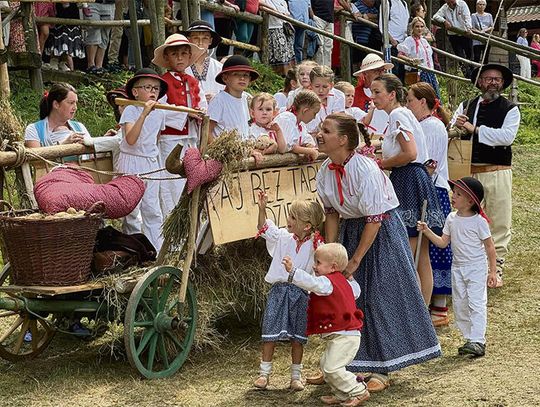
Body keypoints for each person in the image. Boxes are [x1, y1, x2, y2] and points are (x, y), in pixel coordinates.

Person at [315, 113, 441, 392]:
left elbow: (375, 218)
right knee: (347, 300)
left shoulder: (366, 169)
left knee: (378, 297)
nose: (318, 134)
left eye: (326, 130)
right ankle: (346, 365)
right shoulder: (325, 169)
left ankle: (382, 369)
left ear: (344, 139)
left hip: (380, 233)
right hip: (351, 229)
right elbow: (332, 213)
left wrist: (356, 258)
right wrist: (333, 253)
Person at [372, 74, 445, 305]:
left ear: (392, 94)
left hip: (408, 179)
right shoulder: (403, 115)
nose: (373, 97)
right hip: (416, 177)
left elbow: (410, 153)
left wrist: (380, 164)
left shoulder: (397, 114)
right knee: (420, 254)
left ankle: (412, 309)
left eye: (377, 92)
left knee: (407, 250)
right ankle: (422, 308)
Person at [450, 63, 520, 287]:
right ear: (480, 82)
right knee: (466, 217)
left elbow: (506, 137)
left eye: (497, 79)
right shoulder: (467, 105)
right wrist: (458, 125)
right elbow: (451, 130)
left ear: (502, 84)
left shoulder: (510, 109)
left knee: (499, 219)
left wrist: (475, 129)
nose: (493, 82)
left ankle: (495, 267)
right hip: (469, 172)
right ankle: (470, 264)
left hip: (497, 170)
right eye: (488, 78)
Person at [418, 177, 497, 357]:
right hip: (458, 267)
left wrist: (492, 271)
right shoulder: (451, 218)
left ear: (470, 201)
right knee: (461, 304)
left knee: (476, 302)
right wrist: (427, 230)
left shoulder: (479, 222)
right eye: (454, 192)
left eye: (459, 194)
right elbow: (442, 243)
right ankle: (470, 339)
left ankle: (478, 340)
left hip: (476, 267)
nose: (454, 196)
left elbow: (490, 247)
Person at [253, 191, 325, 391]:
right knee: (270, 333)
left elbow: (321, 270)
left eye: (293, 217)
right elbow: (264, 228)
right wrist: (262, 209)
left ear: (307, 225)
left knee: (297, 337)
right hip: (279, 292)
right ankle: (264, 374)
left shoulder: (316, 246)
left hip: (300, 295)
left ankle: (295, 376)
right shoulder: (283, 237)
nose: (288, 220)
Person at [282, 243, 370, 407]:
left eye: (318, 263)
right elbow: (356, 290)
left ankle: (358, 389)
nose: (314, 266)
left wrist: (293, 272)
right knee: (326, 364)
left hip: (346, 336)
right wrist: (350, 279)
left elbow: (311, 283)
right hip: (344, 335)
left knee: (332, 368)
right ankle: (342, 394)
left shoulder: (327, 282)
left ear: (333, 267)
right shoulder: (343, 282)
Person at [118, 69, 188, 251]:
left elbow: (155, 138)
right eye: (148, 87)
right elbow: (131, 140)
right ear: (135, 91)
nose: (153, 91)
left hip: (150, 161)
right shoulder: (130, 110)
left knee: (152, 208)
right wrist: (144, 114)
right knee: (132, 211)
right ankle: (133, 250)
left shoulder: (160, 113)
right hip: (131, 161)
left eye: (156, 88)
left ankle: (155, 251)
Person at [406, 82, 453, 326]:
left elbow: (429, 164)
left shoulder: (433, 126)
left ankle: (439, 306)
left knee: (435, 245)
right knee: (425, 245)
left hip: (433, 189)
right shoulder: (422, 125)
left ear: (422, 102)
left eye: (411, 100)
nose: (408, 104)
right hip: (425, 188)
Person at [151, 33, 206, 218]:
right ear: (167, 58)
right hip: (171, 139)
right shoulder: (162, 83)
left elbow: (202, 107)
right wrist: (184, 113)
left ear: (190, 57)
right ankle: (171, 226)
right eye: (175, 54)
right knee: (171, 183)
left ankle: (188, 226)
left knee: (188, 181)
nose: (180, 58)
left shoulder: (193, 82)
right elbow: (158, 111)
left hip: (191, 138)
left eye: (184, 53)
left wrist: (200, 115)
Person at [208, 55, 260, 142]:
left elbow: (244, 128)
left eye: (246, 75)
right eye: (236, 74)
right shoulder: (219, 100)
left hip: (242, 150)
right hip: (225, 151)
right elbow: (207, 130)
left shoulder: (245, 99)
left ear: (249, 79)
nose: (242, 78)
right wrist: (218, 151)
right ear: (225, 78)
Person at [25, 83, 90, 148]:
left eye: (76, 103)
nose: (75, 107)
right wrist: (64, 144)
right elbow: (36, 157)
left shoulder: (80, 127)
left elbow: (93, 154)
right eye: (71, 103)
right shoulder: (34, 129)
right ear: (56, 104)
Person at [182, 20, 225, 103]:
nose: (200, 42)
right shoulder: (181, 67)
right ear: (189, 40)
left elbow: (228, 93)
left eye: (205, 38)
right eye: (196, 38)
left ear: (210, 41)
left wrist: (215, 98)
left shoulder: (219, 68)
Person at [397, 17, 441, 98]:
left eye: (421, 26)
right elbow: (400, 55)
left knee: (434, 97)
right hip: (418, 72)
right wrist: (410, 60)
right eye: (417, 26)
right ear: (413, 28)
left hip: (430, 72)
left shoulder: (424, 41)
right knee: (422, 97)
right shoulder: (409, 40)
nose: (419, 29)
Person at [274, 90, 320, 162]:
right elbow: (288, 147)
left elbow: (306, 139)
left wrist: (309, 145)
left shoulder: (300, 124)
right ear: (305, 111)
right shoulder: (286, 119)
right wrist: (309, 151)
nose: (314, 117)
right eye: (314, 113)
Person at [352, 53, 392, 134]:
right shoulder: (354, 95)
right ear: (365, 73)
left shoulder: (390, 93)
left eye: (383, 70)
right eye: (377, 71)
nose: (381, 74)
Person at [433, 0, 473, 77]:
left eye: (452, 2)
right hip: (453, 35)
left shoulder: (462, 4)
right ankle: (467, 76)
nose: (450, 4)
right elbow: (435, 16)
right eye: (448, 2)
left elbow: (467, 17)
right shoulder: (445, 7)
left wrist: (468, 28)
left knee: (470, 55)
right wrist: (444, 21)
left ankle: (473, 76)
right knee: (459, 56)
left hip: (465, 34)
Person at [44, 2, 86, 72]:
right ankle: (54, 61)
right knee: (59, 37)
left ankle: (62, 63)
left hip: (72, 13)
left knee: (68, 40)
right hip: (58, 13)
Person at [305, 65, 346, 133]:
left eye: (325, 86)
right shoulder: (305, 98)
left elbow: (338, 120)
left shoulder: (339, 96)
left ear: (331, 85)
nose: (321, 90)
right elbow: (310, 127)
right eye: (317, 86)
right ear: (311, 85)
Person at [248, 93, 287, 162]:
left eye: (268, 109)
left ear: (274, 113)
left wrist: (278, 131)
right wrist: (265, 151)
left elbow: (282, 150)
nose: (264, 112)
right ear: (252, 113)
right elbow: (249, 149)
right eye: (260, 109)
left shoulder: (275, 129)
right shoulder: (251, 130)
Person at [260, 0, 295, 75]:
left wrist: (284, 14)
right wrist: (274, 10)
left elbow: (287, 14)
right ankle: (276, 75)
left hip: (283, 29)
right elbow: (259, 3)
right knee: (276, 55)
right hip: (272, 29)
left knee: (286, 54)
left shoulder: (283, 1)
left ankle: (288, 76)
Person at [83, 0, 115, 74]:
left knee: (105, 34)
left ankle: (99, 66)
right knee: (93, 30)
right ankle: (91, 65)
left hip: (110, 4)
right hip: (92, 3)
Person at [350, 0, 380, 72]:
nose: (373, 2)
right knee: (358, 58)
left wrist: (368, 15)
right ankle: (357, 75)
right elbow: (357, 16)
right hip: (357, 36)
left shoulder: (373, 8)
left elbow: (379, 16)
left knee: (365, 57)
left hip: (368, 37)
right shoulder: (357, 5)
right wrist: (365, 17)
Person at [311, 0, 334, 67]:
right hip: (318, 16)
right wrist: (313, 16)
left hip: (330, 19)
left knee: (328, 47)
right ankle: (319, 69)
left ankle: (327, 70)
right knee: (319, 46)